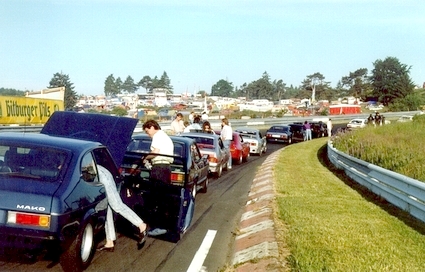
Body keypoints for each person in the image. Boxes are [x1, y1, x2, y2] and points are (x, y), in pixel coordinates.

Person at [97, 164, 147, 252]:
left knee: (116, 205)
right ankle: (110, 242)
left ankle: (141, 225)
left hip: (102, 176)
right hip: (96, 175)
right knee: (106, 208)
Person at [142, 119, 174, 236]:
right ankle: (163, 225)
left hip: (159, 168)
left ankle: (159, 226)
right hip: (166, 168)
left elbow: (155, 151)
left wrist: (145, 158)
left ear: (151, 127)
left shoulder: (157, 136)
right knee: (163, 197)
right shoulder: (165, 136)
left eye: (147, 131)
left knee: (157, 197)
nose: (148, 134)